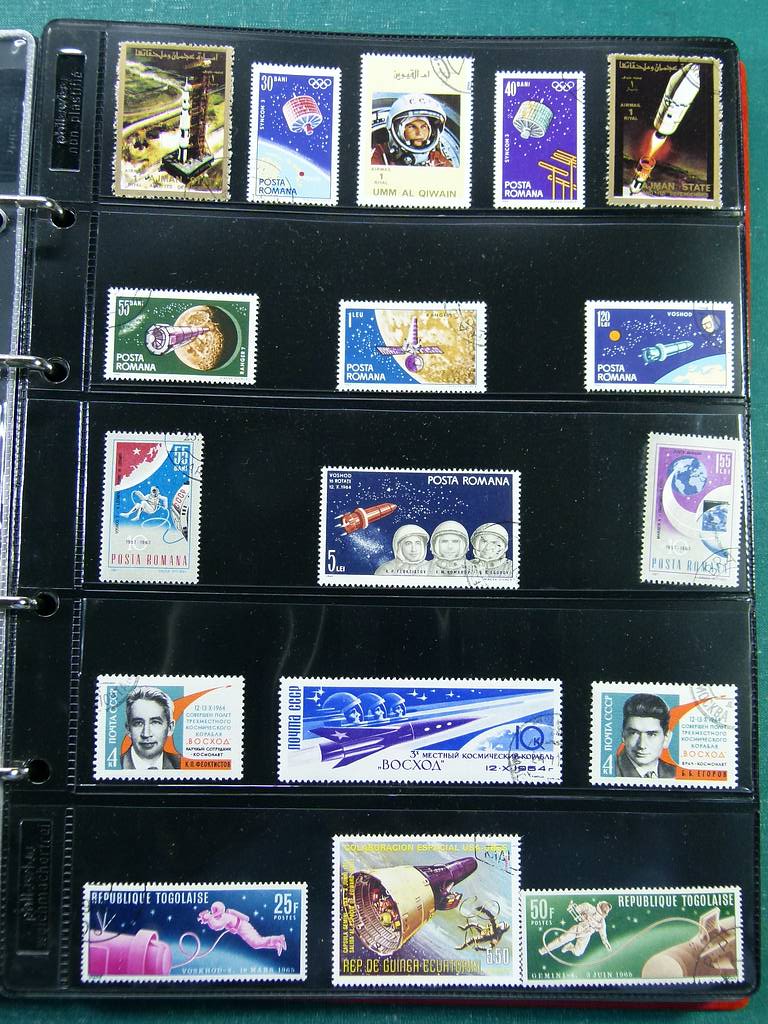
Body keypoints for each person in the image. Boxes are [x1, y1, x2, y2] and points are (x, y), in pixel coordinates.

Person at [371, 93, 454, 167]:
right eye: (412, 127)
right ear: (398, 130)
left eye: (424, 127)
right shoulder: (380, 154)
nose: (419, 133)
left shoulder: (438, 160)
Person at [616, 693, 676, 779]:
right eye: (633, 733)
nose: (642, 745)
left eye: (651, 734)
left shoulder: (674, 773)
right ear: (623, 736)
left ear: (666, 738)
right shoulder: (613, 771)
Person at [121, 686, 181, 770]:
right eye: (138, 723)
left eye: (155, 722)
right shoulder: (117, 764)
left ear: (170, 727)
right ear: (128, 729)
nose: (146, 734)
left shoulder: (181, 764)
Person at [539, 901, 612, 958]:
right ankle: (544, 950)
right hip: (578, 929)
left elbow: (603, 934)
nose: (605, 909)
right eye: (605, 906)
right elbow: (578, 909)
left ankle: (570, 947)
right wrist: (580, 914)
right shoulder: (590, 908)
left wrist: (606, 944)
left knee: (578, 952)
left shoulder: (602, 922)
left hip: (586, 935)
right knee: (561, 939)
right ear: (601, 905)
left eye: (607, 909)